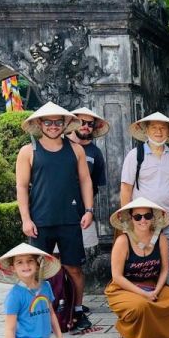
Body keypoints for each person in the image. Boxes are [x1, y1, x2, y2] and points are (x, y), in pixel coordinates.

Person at [16, 102, 95, 331]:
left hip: (70, 218)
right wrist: (26, 219)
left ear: (64, 124)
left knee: (74, 268)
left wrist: (88, 210)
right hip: (40, 220)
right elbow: (21, 187)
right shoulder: (28, 151)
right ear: (40, 124)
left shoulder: (76, 149)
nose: (53, 126)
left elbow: (85, 180)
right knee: (36, 271)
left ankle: (78, 311)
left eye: (58, 122)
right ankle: (37, 314)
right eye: (48, 122)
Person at [104, 198, 169, 338]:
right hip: (124, 288)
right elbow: (117, 277)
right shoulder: (123, 241)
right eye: (137, 217)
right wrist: (143, 294)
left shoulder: (161, 239)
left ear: (154, 218)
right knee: (141, 306)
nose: (143, 220)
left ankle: (166, 334)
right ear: (130, 219)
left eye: (147, 216)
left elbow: (165, 269)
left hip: (152, 285)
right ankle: (127, 329)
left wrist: (156, 291)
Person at [120, 112, 169, 290]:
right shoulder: (135, 156)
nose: (158, 131)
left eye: (162, 128)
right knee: (146, 254)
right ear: (146, 131)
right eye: (154, 127)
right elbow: (126, 188)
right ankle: (148, 289)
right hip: (144, 217)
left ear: (168, 132)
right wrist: (126, 217)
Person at [0, 243, 76, 338]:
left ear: (37, 264)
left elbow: (51, 313)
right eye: (20, 262)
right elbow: (9, 329)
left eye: (30, 261)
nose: (26, 266)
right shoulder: (15, 295)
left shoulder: (45, 286)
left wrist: (59, 337)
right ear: (13, 268)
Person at [68, 107, 109, 284]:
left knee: (79, 260)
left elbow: (95, 186)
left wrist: (89, 209)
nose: (85, 127)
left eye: (90, 124)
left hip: (83, 211)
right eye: (82, 122)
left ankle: (75, 303)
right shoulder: (62, 146)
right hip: (58, 209)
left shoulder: (95, 153)